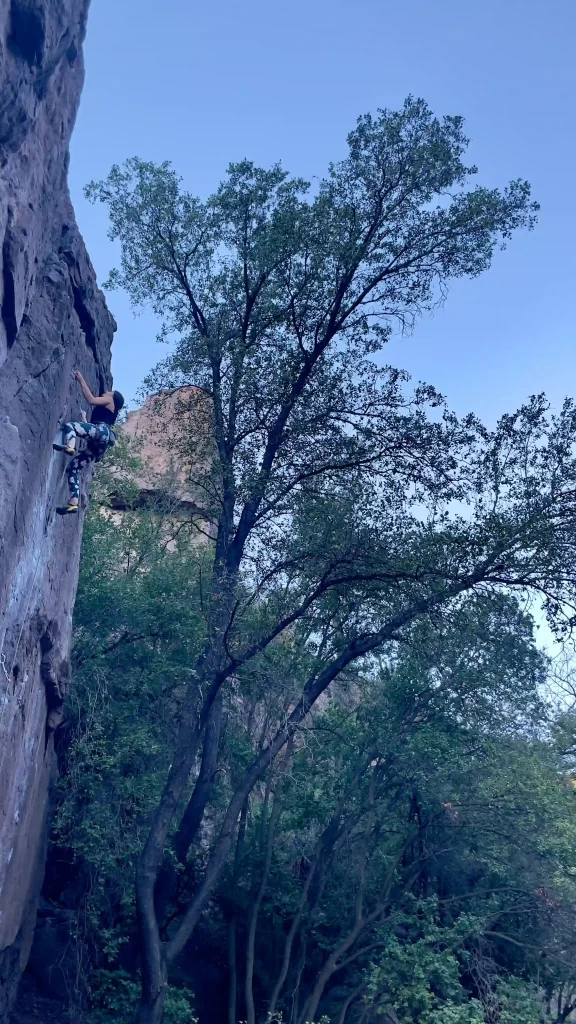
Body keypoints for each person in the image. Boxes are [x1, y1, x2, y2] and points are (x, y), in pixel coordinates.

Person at [53, 370, 124, 516]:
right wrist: (85, 419)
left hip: (101, 431)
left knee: (70, 427)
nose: (105, 393)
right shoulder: (110, 412)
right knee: (73, 469)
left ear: (113, 397)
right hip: (99, 444)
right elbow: (91, 434)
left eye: (109, 392)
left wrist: (81, 379)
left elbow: (91, 399)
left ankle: (70, 446)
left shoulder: (111, 401)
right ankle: (73, 503)